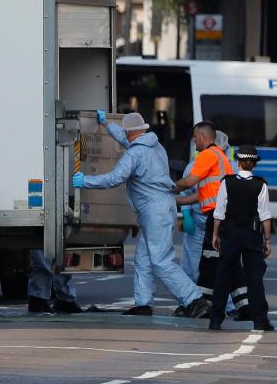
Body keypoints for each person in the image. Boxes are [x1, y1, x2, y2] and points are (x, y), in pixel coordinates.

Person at [73, 112, 210, 318]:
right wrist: (107, 124)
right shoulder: (156, 147)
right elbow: (126, 138)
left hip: (154, 211)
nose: (126, 137)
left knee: (161, 261)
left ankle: (194, 299)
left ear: (131, 133)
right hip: (161, 208)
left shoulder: (135, 154)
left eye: (126, 134)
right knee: (143, 259)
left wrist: (86, 181)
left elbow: (114, 178)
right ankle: (143, 303)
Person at [175, 122, 251, 318]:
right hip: (223, 216)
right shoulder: (219, 157)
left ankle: (216, 306)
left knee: (213, 262)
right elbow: (203, 194)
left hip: (219, 218)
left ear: (203, 136)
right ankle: (226, 306)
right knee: (216, 263)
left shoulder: (208, 156)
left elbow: (188, 182)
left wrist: (163, 188)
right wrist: (180, 201)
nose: (193, 140)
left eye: (194, 136)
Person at [208, 145, 274, 331]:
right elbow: (265, 216)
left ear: (238, 162)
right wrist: (267, 240)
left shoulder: (226, 183)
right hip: (252, 235)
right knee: (254, 277)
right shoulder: (260, 184)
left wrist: (215, 234)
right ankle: (260, 320)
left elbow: (219, 213)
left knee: (224, 275)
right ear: (253, 164)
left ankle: (215, 319)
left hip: (230, 233)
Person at [180, 131, 234, 282]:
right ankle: (193, 301)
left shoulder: (230, 169)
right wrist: (186, 215)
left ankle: (221, 303)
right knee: (193, 264)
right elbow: (185, 192)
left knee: (219, 265)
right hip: (200, 224)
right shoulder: (193, 167)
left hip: (219, 224)